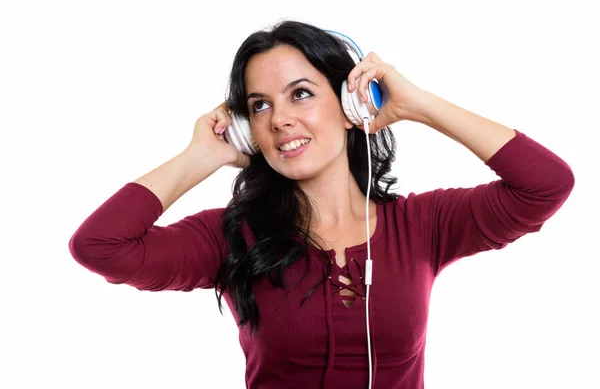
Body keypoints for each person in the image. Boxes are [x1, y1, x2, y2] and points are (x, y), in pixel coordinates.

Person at [69, 20, 575, 389]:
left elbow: (545, 185)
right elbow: (99, 245)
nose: (280, 119)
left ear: (351, 103)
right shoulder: (231, 237)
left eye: (301, 94)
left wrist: (417, 104)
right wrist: (200, 155)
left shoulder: (422, 225)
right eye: (259, 105)